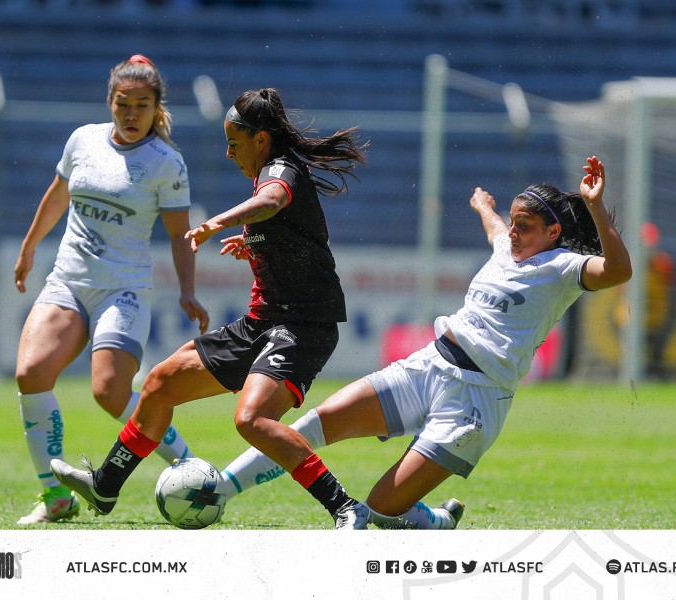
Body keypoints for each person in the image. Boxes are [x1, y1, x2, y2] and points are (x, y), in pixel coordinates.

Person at [207, 155, 633, 529]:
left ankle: (436, 520)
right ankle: (220, 490)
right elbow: (497, 231)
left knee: (381, 508)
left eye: (525, 226)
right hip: (427, 367)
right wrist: (485, 208)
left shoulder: (562, 267)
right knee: (315, 424)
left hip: (475, 399)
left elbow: (618, 272)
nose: (514, 232)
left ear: (553, 231)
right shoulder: (509, 246)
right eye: (514, 222)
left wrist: (596, 208)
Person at [51, 87, 371, 528]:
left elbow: (273, 201)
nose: (227, 153)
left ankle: (345, 507)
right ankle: (105, 485)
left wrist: (220, 221)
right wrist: (256, 241)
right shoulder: (267, 172)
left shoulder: (279, 170)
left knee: (253, 419)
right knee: (160, 383)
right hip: (264, 323)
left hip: (304, 327)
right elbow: (279, 222)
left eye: (234, 143)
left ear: (261, 140)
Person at [14, 54, 209, 525]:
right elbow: (58, 194)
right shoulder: (82, 140)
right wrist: (29, 248)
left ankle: (189, 468)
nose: (131, 114)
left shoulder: (166, 162)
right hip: (68, 279)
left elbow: (180, 233)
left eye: (142, 105)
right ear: (110, 102)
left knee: (108, 390)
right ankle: (56, 496)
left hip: (124, 289)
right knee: (30, 374)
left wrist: (188, 290)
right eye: (123, 104)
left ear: (155, 107)